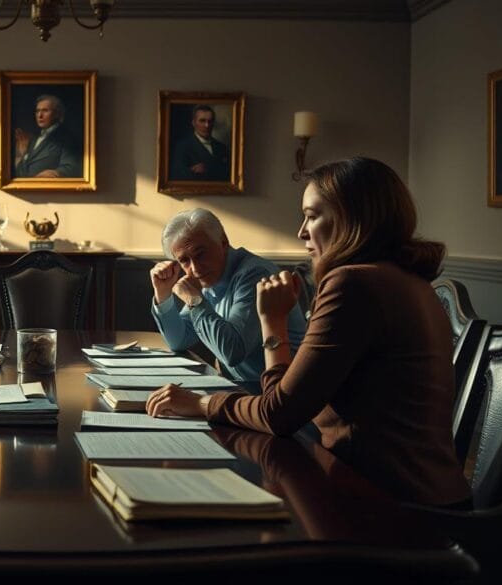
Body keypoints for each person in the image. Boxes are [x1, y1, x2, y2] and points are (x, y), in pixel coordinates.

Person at [146, 157, 471, 507]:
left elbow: (278, 414)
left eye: (312, 216)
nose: (301, 231)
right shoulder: (406, 279)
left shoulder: (352, 283)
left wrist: (201, 400)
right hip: (420, 494)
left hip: (388, 508)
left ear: (353, 217)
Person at [150, 208, 307, 392]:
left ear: (223, 242)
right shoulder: (209, 278)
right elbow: (179, 340)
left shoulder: (255, 275)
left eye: (200, 254)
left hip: (281, 394)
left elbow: (233, 352)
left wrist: (194, 300)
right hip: (243, 390)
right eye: (184, 260)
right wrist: (163, 294)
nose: (195, 268)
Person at [13, 94, 81, 178]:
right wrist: (22, 155)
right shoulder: (34, 139)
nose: (40, 115)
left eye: (45, 111)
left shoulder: (67, 137)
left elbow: (73, 168)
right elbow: (21, 174)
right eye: (37, 111)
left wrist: (56, 173)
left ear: (57, 114)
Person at [170, 104, 231, 181]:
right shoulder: (182, 147)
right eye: (202, 121)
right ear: (193, 123)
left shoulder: (222, 147)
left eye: (210, 121)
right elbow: (177, 176)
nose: (207, 125)